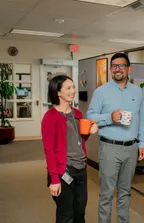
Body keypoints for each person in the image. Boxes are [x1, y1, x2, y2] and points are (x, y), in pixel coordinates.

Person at [87, 52, 144, 223]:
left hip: (131, 148)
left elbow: (141, 119)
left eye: (121, 66)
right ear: (111, 69)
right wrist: (109, 117)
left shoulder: (137, 91)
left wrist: (142, 143)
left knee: (125, 192)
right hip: (109, 148)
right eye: (114, 66)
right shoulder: (101, 92)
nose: (117, 69)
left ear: (129, 69)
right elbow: (90, 117)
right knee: (106, 194)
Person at [41, 75, 98, 223]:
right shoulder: (50, 117)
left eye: (73, 87)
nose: (73, 90)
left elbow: (79, 141)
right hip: (63, 172)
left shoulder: (77, 114)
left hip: (81, 169)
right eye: (68, 88)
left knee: (80, 212)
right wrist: (54, 179)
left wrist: (90, 132)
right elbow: (49, 151)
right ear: (58, 92)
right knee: (66, 215)